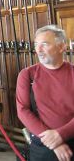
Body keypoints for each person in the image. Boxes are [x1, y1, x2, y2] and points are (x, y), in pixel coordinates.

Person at [16, 24, 74, 161]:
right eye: (36, 44)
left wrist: (61, 135)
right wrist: (54, 142)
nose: (39, 49)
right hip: (42, 145)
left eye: (45, 44)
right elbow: (22, 111)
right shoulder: (27, 75)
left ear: (61, 47)